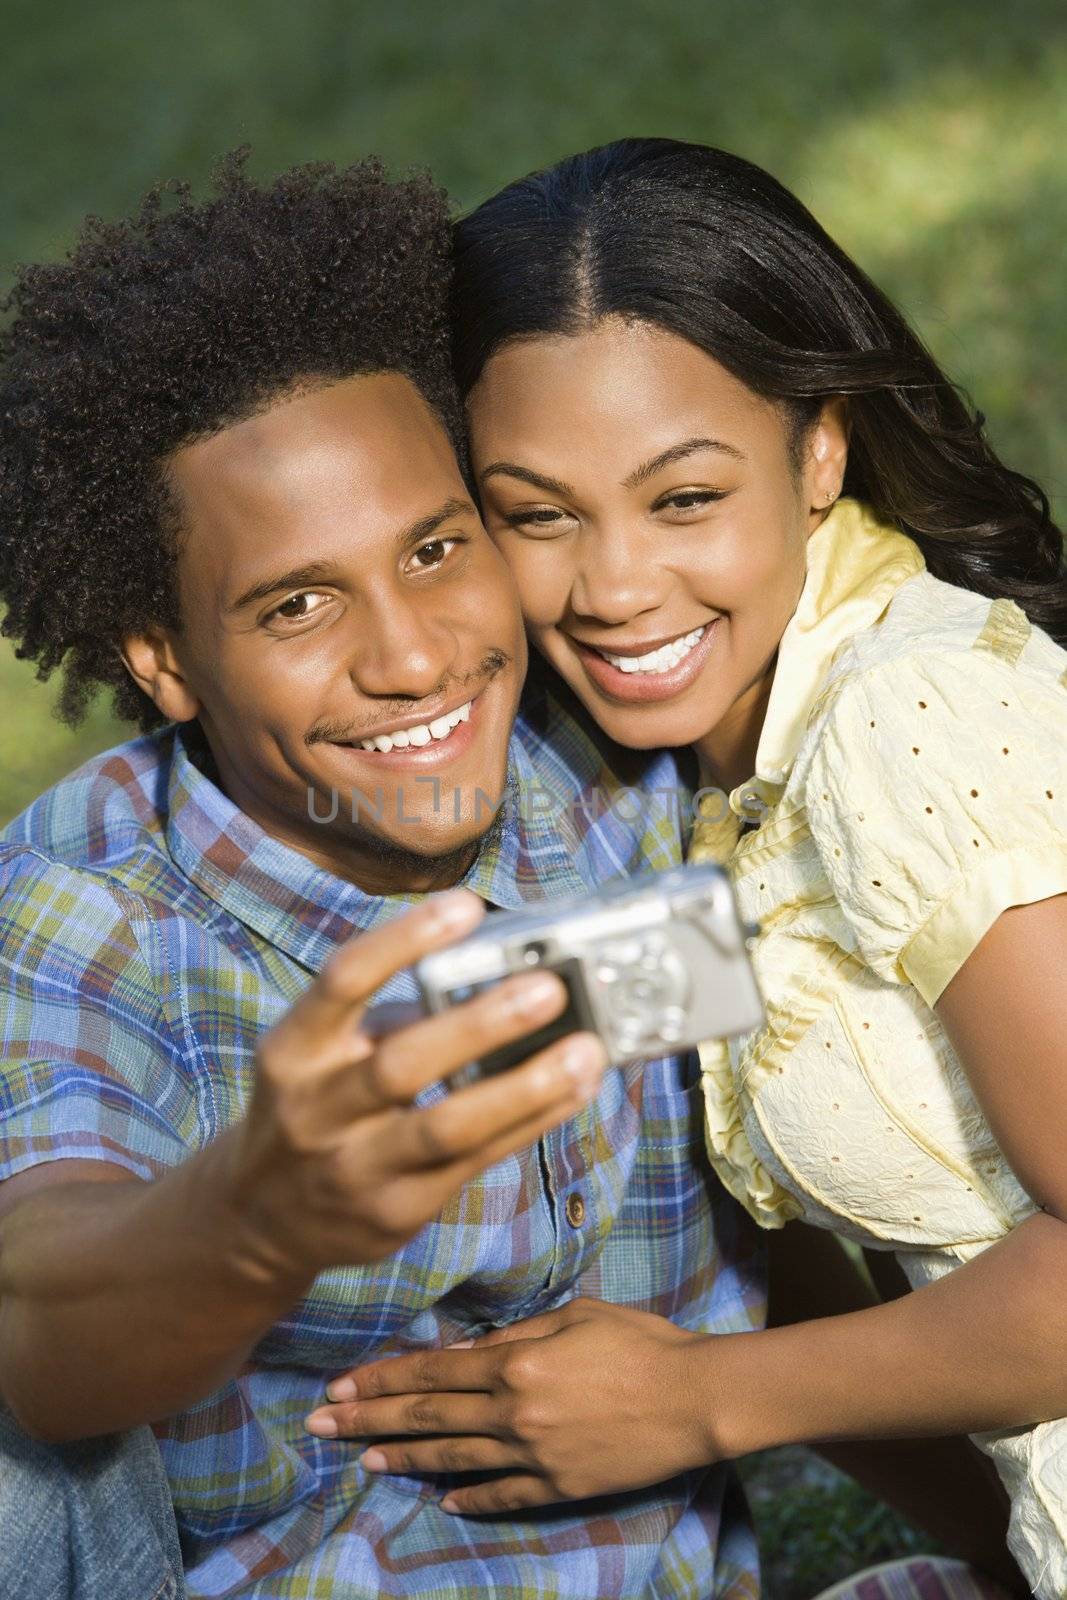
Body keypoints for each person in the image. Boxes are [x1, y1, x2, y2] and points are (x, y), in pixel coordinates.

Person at [0, 152, 766, 1600]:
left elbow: (820, 1147)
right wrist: (255, 1216)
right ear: (161, 660)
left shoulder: (621, 773)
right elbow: (42, 1330)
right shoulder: (87, 912)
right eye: (296, 605)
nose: (413, 658)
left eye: (435, 549)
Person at [317, 138, 1067, 1598]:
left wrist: (698, 1398)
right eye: (536, 514)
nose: (612, 590)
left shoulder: (903, 721)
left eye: (683, 499)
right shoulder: (700, 783)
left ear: (823, 448)